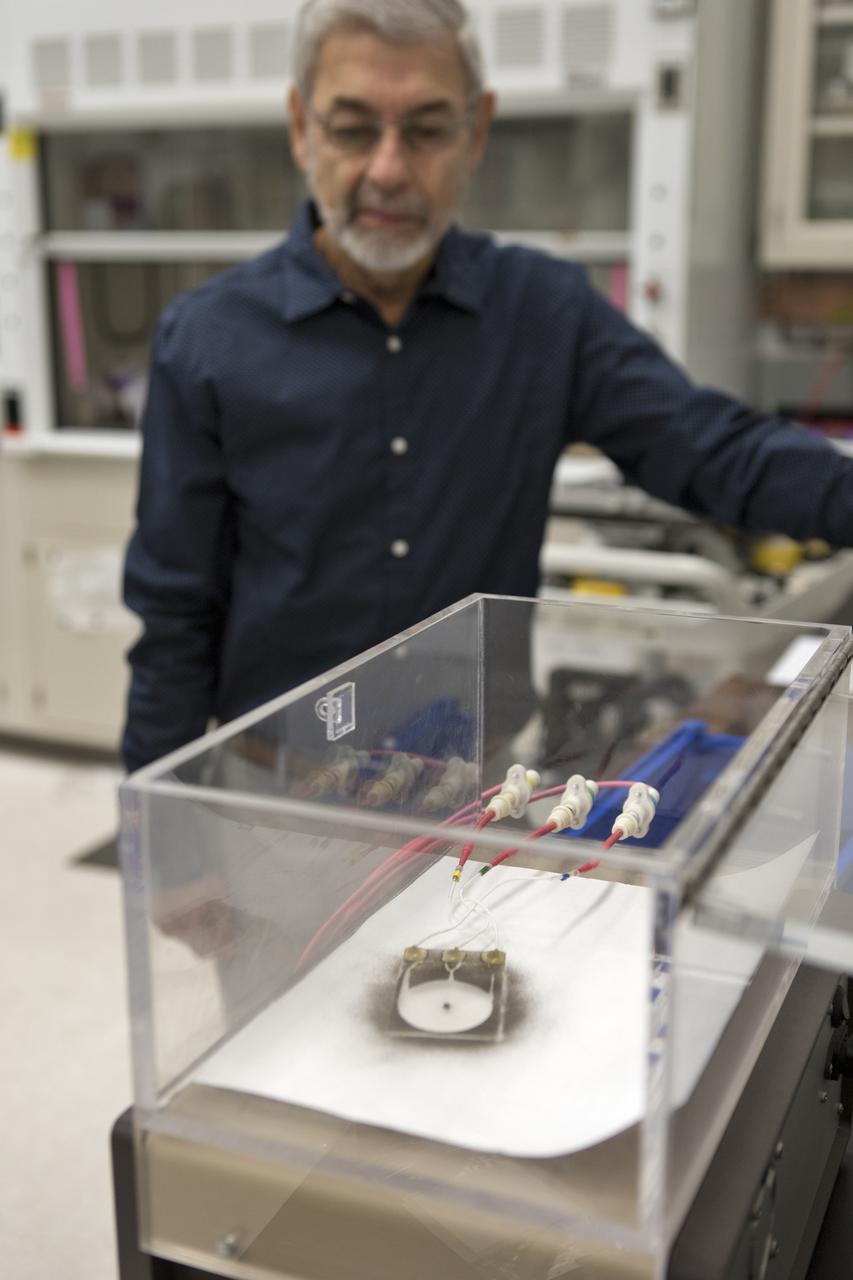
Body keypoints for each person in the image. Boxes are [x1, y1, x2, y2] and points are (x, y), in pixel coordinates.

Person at [121, 0, 853, 775]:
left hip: (479, 782)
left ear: (477, 129)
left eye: (428, 129)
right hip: (279, 781)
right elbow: (174, 611)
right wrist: (160, 843)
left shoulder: (542, 312)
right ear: (302, 127)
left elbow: (712, 451)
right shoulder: (206, 340)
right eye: (353, 127)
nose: (389, 170)